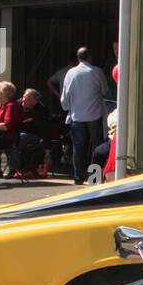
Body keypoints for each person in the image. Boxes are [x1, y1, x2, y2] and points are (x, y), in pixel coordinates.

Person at [61, 46, 108, 185]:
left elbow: (65, 96)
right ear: (90, 58)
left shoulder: (71, 73)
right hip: (94, 114)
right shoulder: (97, 72)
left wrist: (67, 108)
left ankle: (78, 177)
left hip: (77, 116)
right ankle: (94, 177)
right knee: (96, 147)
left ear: (78, 58)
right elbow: (104, 91)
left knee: (78, 148)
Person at [14, 88, 51, 178]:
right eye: (24, 97)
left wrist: (47, 151)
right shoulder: (17, 104)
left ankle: (22, 168)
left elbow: (45, 130)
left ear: (34, 102)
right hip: (17, 132)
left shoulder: (41, 110)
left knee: (20, 138)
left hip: (32, 135)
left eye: (27, 99)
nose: (24, 100)